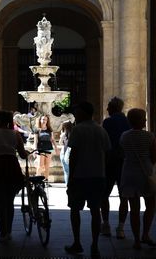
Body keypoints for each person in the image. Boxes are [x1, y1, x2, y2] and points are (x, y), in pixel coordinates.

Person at [64, 101, 111, 257]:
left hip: (80, 176)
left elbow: (74, 156)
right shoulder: (101, 130)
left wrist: (70, 178)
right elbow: (108, 153)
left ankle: (77, 242)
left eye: (77, 112)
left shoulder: (78, 130)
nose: (75, 115)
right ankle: (95, 245)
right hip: (98, 175)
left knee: (75, 210)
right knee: (95, 211)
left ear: (84, 113)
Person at [0, 110, 28, 243]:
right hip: (12, 167)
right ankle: (9, 231)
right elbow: (22, 154)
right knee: (9, 202)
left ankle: (3, 232)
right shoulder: (16, 134)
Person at [119, 108, 156, 250]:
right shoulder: (150, 136)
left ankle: (136, 240)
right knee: (150, 205)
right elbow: (153, 158)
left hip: (129, 173)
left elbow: (124, 152)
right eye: (144, 118)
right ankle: (145, 234)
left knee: (134, 208)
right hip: (145, 173)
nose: (146, 120)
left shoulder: (124, 136)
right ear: (141, 121)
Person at [100, 97, 131, 238]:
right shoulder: (128, 122)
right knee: (123, 197)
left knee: (104, 195)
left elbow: (104, 143)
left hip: (109, 162)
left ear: (113, 108)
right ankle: (121, 228)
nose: (106, 109)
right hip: (124, 162)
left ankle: (105, 224)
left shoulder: (107, 122)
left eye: (108, 106)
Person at [33, 115, 58, 183]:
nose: (44, 121)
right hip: (40, 149)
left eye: (46, 120)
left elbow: (52, 140)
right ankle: (37, 179)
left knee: (47, 166)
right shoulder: (37, 129)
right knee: (40, 166)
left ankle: (46, 180)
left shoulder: (49, 129)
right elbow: (35, 141)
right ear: (40, 120)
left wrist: (56, 148)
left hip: (49, 148)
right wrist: (35, 150)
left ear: (47, 121)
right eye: (43, 119)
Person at [59, 120, 73, 185]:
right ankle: (68, 185)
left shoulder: (71, 134)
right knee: (67, 171)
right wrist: (62, 136)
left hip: (67, 151)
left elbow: (62, 143)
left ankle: (68, 185)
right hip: (64, 151)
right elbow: (61, 143)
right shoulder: (64, 134)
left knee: (67, 171)